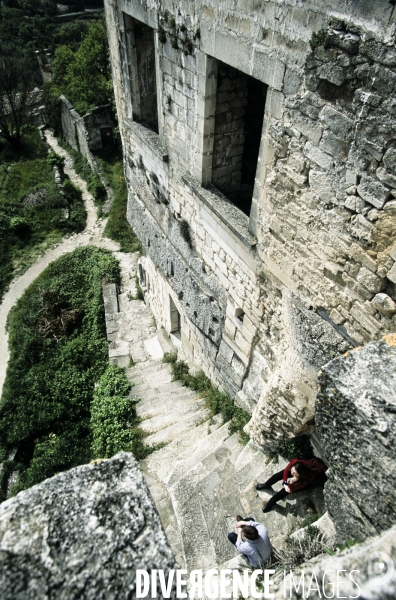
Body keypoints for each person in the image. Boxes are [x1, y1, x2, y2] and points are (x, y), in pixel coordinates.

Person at [256, 457, 327, 513]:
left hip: (303, 482)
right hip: (300, 471)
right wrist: (284, 482)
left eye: (294, 473)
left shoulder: (304, 480)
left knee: (283, 492)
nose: (292, 473)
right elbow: (286, 470)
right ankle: (266, 485)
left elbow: (291, 489)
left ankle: (270, 503)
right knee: (279, 475)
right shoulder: (297, 463)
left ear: (299, 475)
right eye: (292, 470)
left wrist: (290, 483)